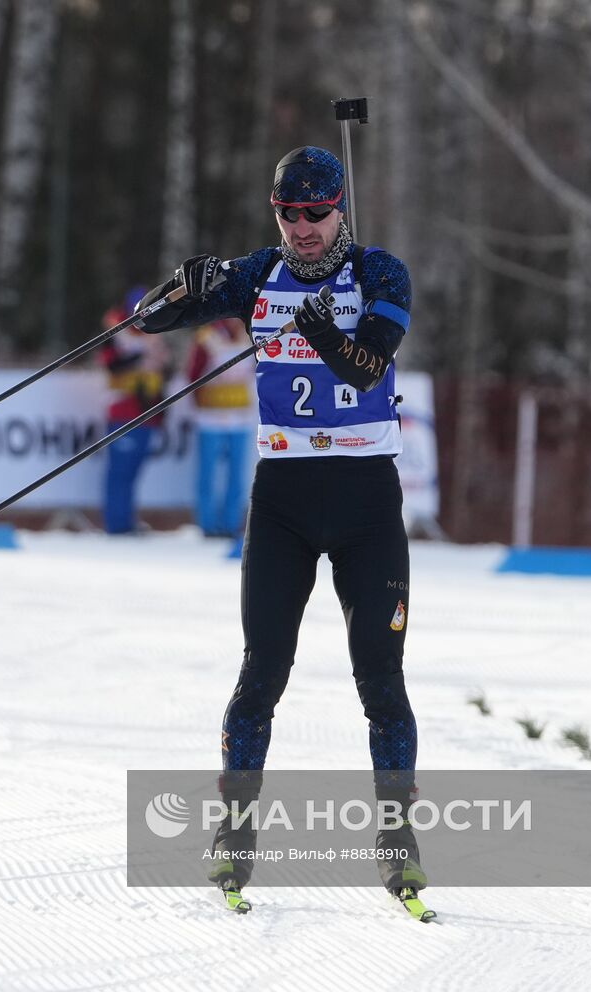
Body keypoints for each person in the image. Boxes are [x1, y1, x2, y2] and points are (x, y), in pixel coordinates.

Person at [135, 146, 422, 907]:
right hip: (285, 501)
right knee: (262, 671)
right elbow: (153, 320)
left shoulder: (381, 274)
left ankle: (399, 848)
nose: (301, 228)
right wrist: (179, 287)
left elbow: (368, 367)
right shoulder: (260, 272)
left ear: (340, 211)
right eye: (287, 214)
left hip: (365, 501)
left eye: (315, 214)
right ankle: (234, 844)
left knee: (381, 682)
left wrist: (322, 330)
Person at [99, 287, 171, 535]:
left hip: (147, 410)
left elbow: (163, 368)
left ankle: (126, 520)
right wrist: (136, 358)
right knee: (119, 471)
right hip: (122, 410)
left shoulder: (154, 332)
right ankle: (116, 524)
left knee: (133, 471)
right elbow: (110, 364)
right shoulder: (115, 331)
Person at [185, 318, 255, 537]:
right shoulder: (207, 337)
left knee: (237, 475)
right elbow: (193, 374)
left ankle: (231, 523)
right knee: (207, 473)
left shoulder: (248, 335)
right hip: (211, 417)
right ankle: (206, 524)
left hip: (240, 416)